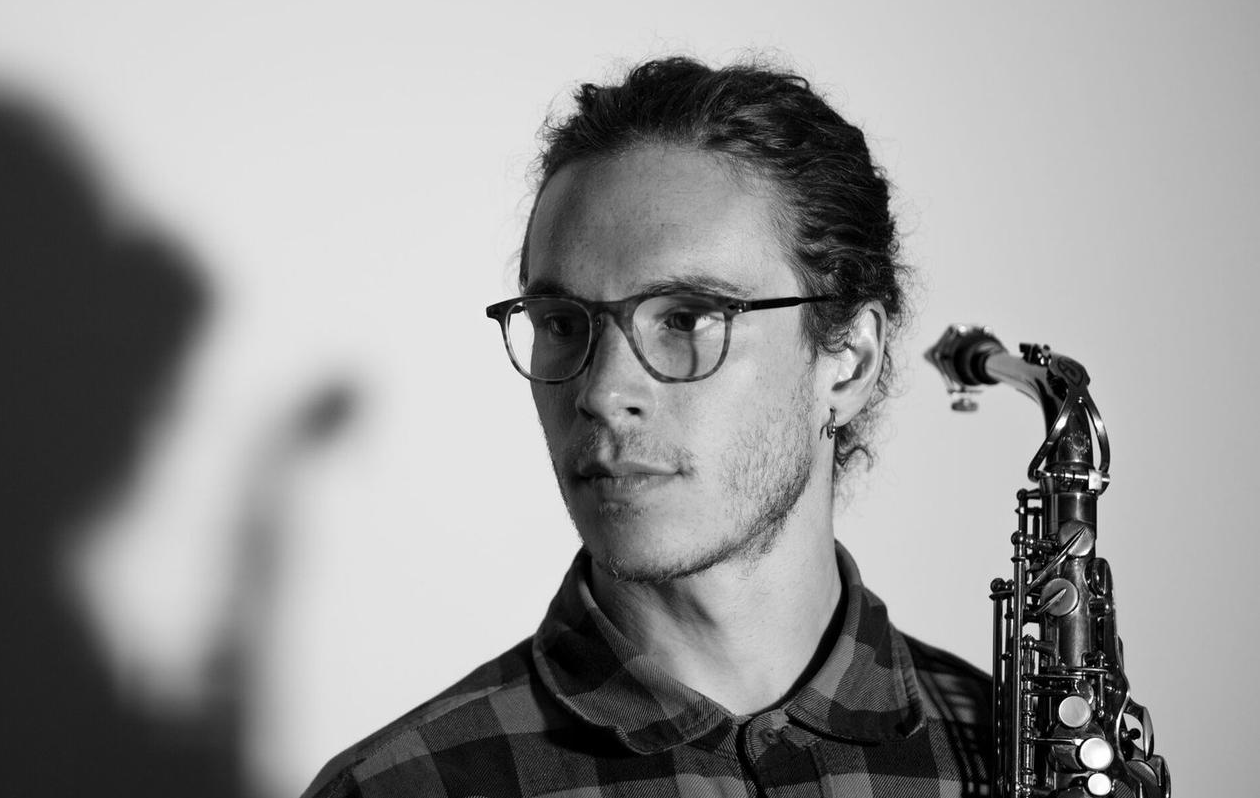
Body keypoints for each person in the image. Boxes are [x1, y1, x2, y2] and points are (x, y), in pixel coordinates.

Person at [302, 56, 992, 798]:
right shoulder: (402, 787)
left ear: (849, 362)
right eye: (561, 323)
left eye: (686, 318)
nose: (601, 392)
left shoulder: (1002, 752)